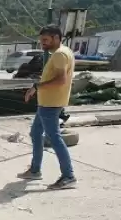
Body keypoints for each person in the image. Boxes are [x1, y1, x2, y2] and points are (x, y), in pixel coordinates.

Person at [19, 24, 77, 189]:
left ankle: (69, 176)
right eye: (41, 40)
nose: (42, 43)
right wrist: (36, 87)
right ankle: (35, 170)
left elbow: (60, 80)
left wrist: (37, 87)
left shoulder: (60, 55)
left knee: (54, 138)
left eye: (45, 40)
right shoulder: (64, 52)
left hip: (51, 105)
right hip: (47, 103)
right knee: (36, 133)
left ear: (56, 38)